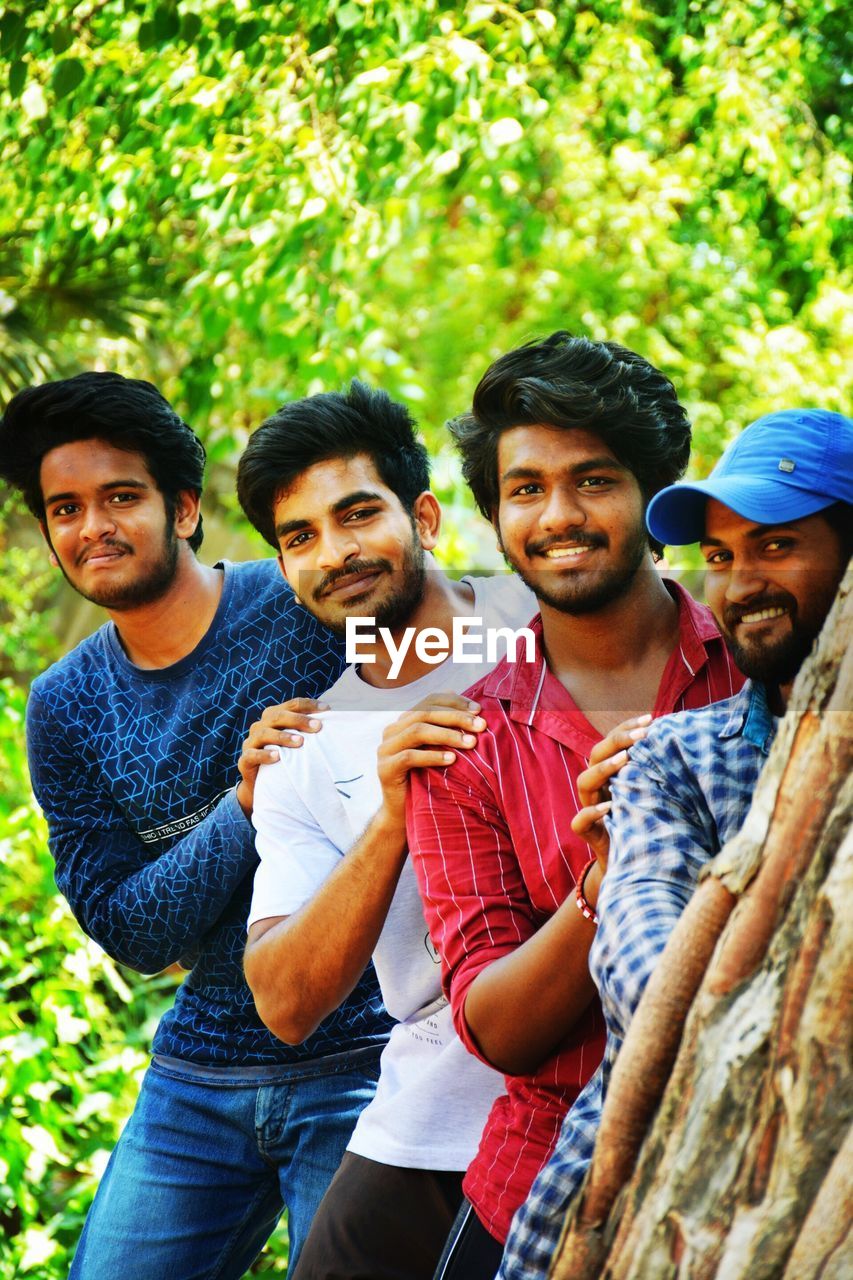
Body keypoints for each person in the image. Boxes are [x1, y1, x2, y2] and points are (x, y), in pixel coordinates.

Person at [0, 372, 392, 1279]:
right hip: (198, 1071)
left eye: (120, 497)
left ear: (182, 508)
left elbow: (485, 641)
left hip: (365, 1058)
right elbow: (134, 931)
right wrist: (243, 805)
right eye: (65, 508)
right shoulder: (65, 706)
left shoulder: (305, 601)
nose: (92, 526)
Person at [405, 332, 744, 1278]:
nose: (559, 515)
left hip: (761, 1153)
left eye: (594, 480)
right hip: (543, 1186)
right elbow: (495, 1029)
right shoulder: (462, 748)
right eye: (525, 489)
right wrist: (601, 885)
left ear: (652, 496)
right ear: (494, 514)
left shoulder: (761, 668)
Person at [498, 406, 853, 1280]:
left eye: (775, 547)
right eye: (722, 557)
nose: (739, 584)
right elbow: (637, 957)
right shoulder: (673, 758)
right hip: (652, 1202)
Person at [235, 379, 537, 1280]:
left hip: (606, 1090)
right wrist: (392, 819)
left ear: (427, 516)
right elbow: (283, 1003)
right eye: (300, 537)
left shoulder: (549, 622)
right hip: (425, 1121)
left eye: (358, 514)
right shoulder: (301, 746)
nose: (335, 552)